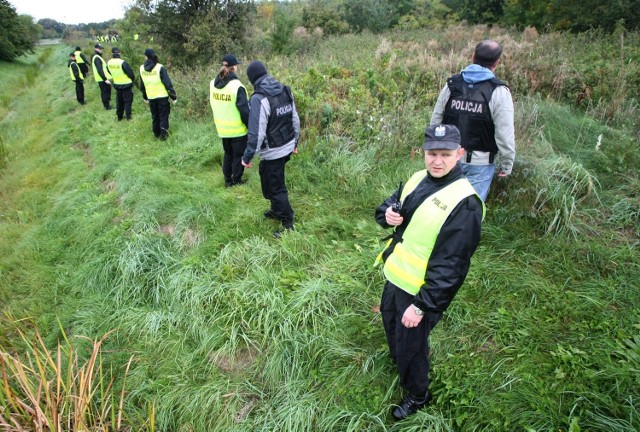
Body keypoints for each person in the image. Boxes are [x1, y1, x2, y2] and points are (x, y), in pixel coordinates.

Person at [375, 124, 484, 421]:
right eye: (431, 153)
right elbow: (390, 204)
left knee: (413, 345)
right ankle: (399, 359)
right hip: (396, 274)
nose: (437, 161)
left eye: (445, 154)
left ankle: (418, 394)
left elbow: (452, 265)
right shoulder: (418, 177)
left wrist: (423, 305)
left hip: (420, 291)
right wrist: (387, 214)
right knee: (390, 323)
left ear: (459, 154)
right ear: (423, 153)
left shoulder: (466, 203)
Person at [430, 39, 515, 201]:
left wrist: (434, 154)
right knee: (469, 213)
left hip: (448, 158)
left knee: (441, 207)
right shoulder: (499, 92)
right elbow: (505, 134)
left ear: (473, 56)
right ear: (497, 63)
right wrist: (507, 164)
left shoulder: (451, 85)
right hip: (480, 165)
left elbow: (435, 122)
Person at [241, 61, 299, 236]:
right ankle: (275, 210)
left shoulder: (259, 98)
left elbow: (256, 133)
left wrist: (248, 156)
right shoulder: (284, 90)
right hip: (287, 145)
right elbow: (295, 119)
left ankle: (288, 223)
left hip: (274, 150)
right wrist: (295, 142)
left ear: (252, 79)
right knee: (268, 179)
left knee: (275, 186)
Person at [210, 54, 250, 187]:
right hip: (237, 129)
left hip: (222, 128)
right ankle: (236, 181)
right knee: (238, 156)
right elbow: (245, 111)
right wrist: (251, 126)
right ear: (234, 68)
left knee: (228, 154)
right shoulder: (237, 86)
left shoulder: (212, 84)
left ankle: (227, 180)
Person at [139, 48, 177, 140]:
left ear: (145, 57)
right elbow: (167, 83)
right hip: (162, 97)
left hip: (151, 97)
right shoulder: (160, 67)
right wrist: (173, 96)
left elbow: (142, 85)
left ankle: (156, 134)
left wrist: (145, 97)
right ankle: (163, 136)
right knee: (163, 116)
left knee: (155, 116)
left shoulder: (141, 68)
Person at [107, 47, 136, 121]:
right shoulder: (122, 62)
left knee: (119, 101)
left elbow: (109, 72)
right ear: (119, 53)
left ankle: (119, 116)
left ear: (112, 54)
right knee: (127, 101)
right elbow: (131, 74)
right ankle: (128, 116)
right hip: (126, 84)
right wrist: (132, 80)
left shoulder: (109, 63)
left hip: (117, 84)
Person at [91, 43, 112, 110]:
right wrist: (105, 79)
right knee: (105, 92)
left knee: (106, 91)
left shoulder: (97, 56)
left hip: (102, 78)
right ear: (95, 49)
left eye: (101, 48)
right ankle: (107, 106)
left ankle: (107, 104)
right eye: (99, 49)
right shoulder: (97, 58)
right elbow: (100, 69)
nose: (101, 50)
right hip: (102, 79)